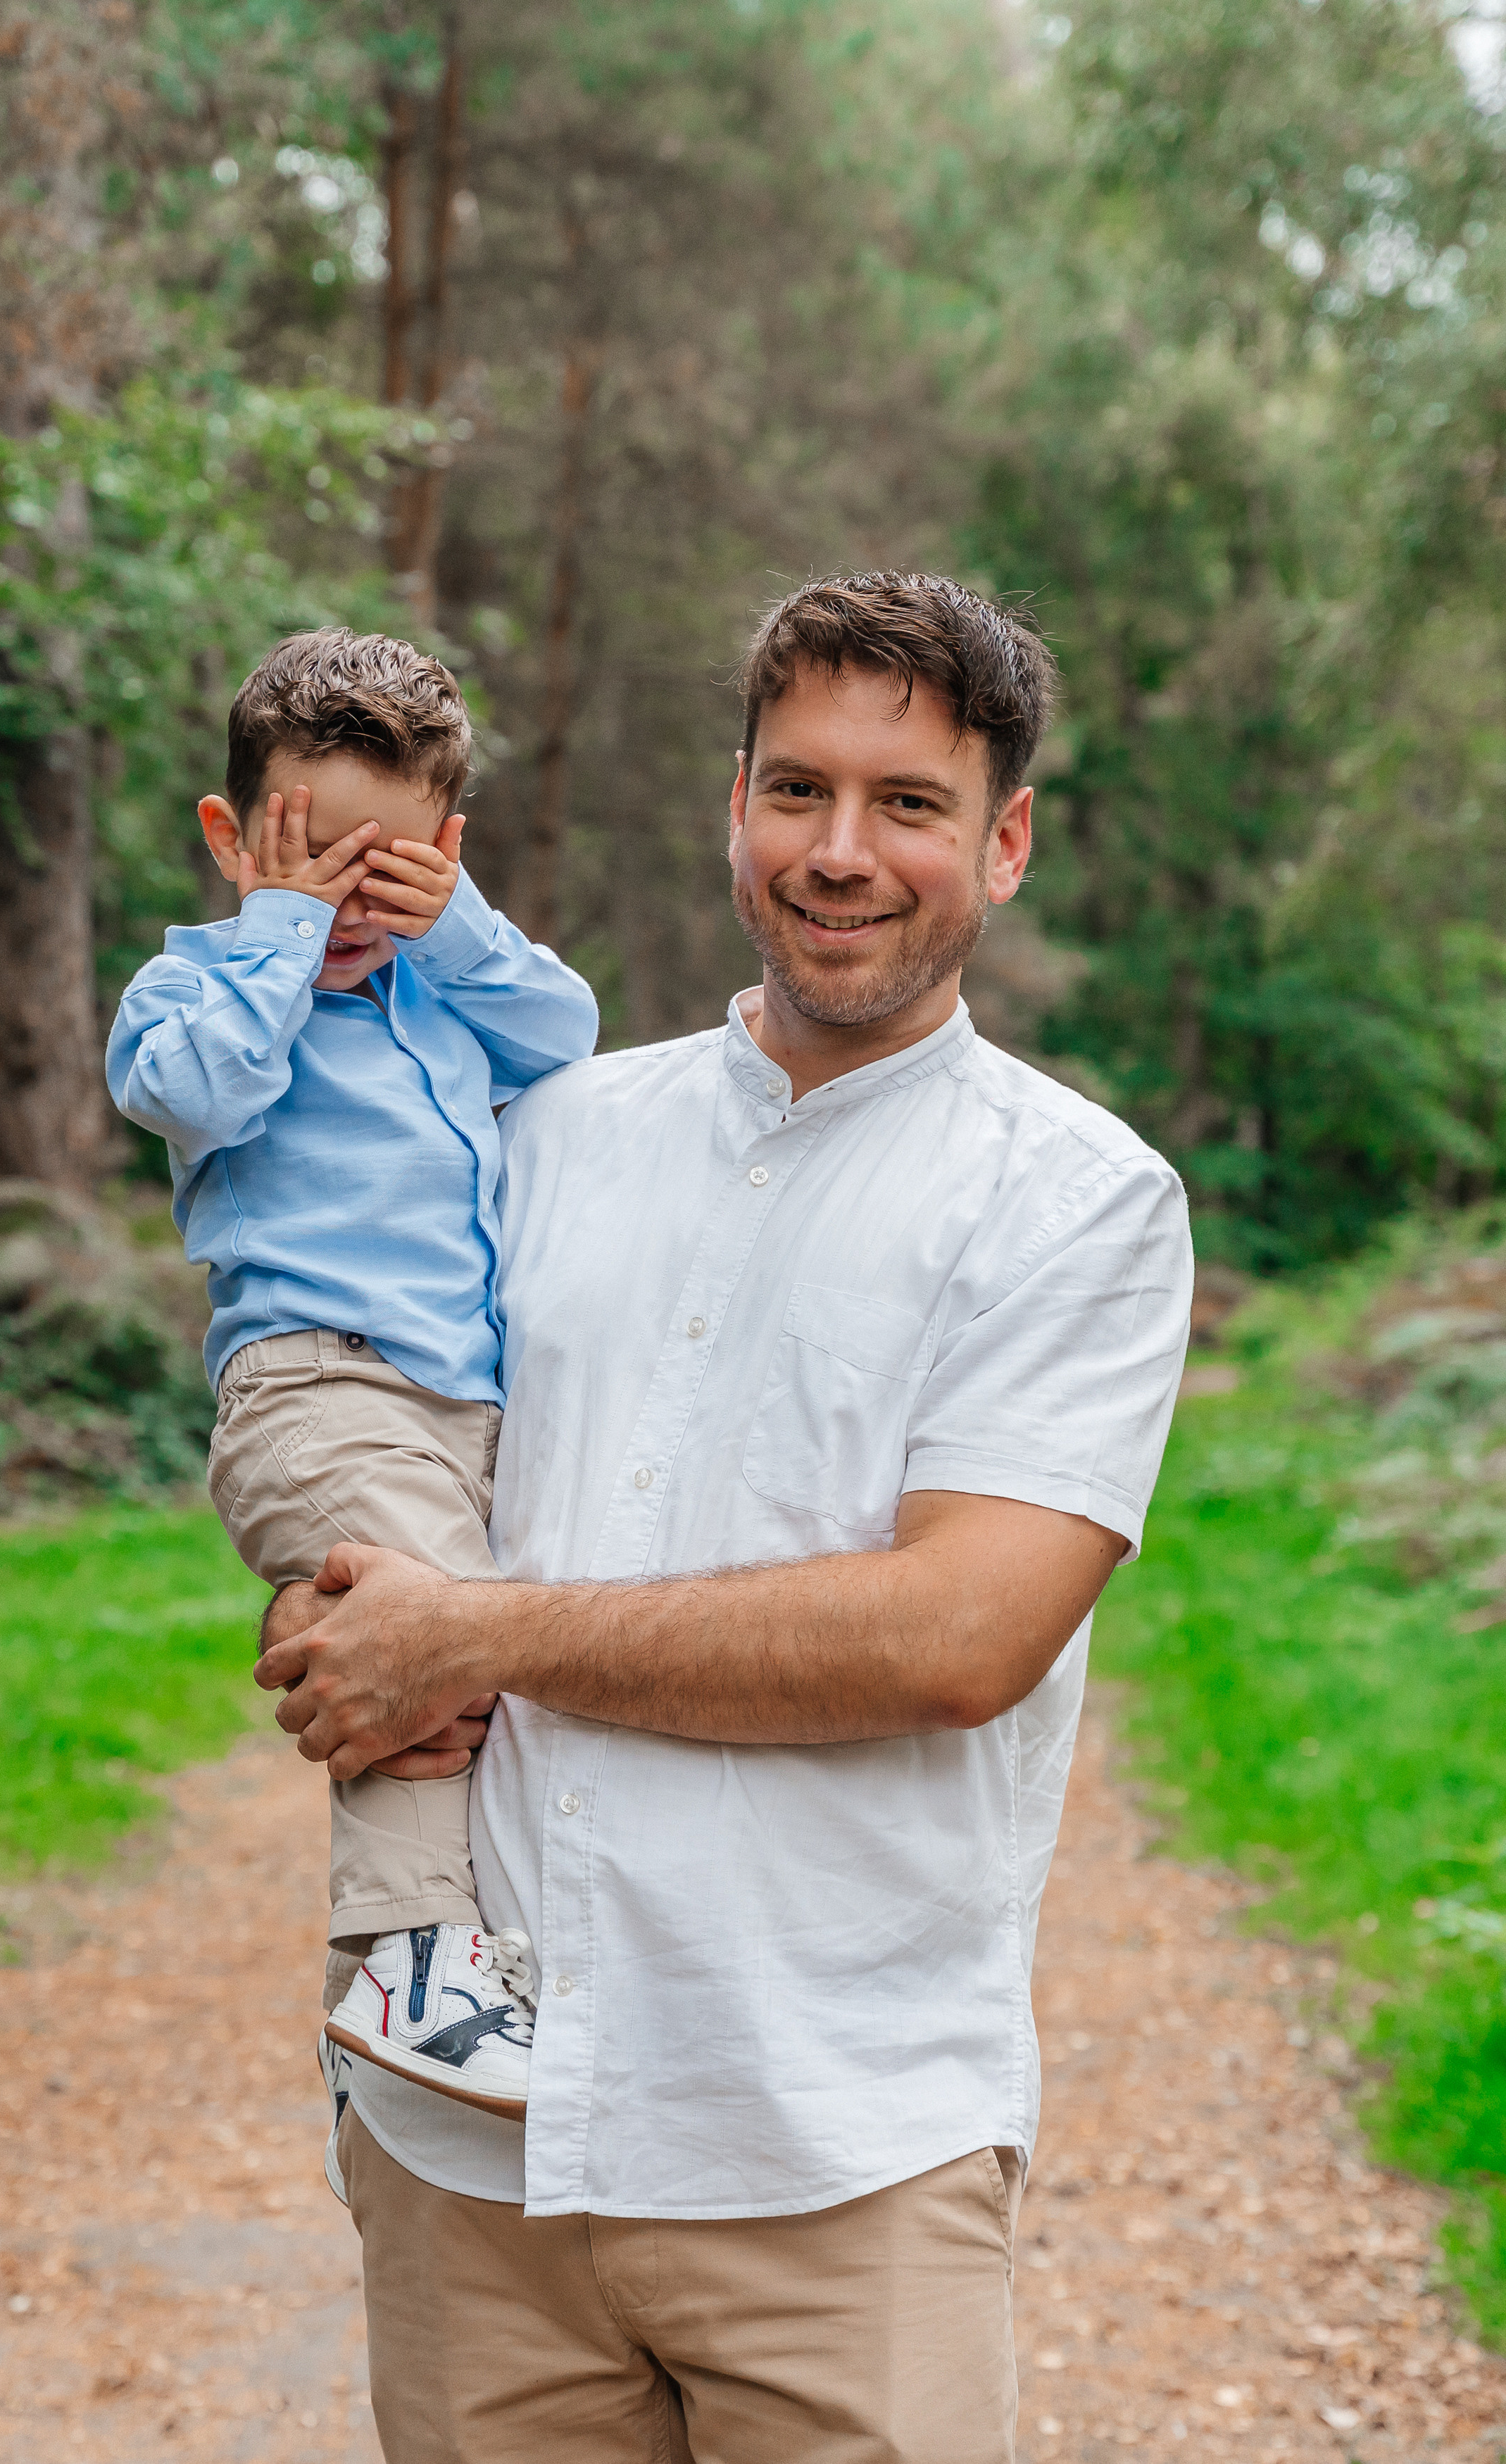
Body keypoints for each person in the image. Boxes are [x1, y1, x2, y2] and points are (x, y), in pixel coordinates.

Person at [258, 573, 1196, 2464]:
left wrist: (472, 1635)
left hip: (835, 2155)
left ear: (1004, 842)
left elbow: (956, 1639)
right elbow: (385, 1464)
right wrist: (330, 1603)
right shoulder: (540, 1134)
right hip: (471, 2160)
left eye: (908, 803)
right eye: (796, 789)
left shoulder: (1076, 1202)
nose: (841, 850)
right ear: (735, 805)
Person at [106, 629, 600, 2123]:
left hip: (462, 1409)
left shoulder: (444, 998)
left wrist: (454, 929)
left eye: (381, 872)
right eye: (310, 859)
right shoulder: (197, 993)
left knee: (491, 1676)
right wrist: (275, 937)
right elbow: (188, 1094)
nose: (343, 903)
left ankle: (398, 2034)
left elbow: (565, 1034)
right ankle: (407, 1968)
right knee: (429, 1640)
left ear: (440, 855)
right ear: (232, 839)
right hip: (315, 1391)